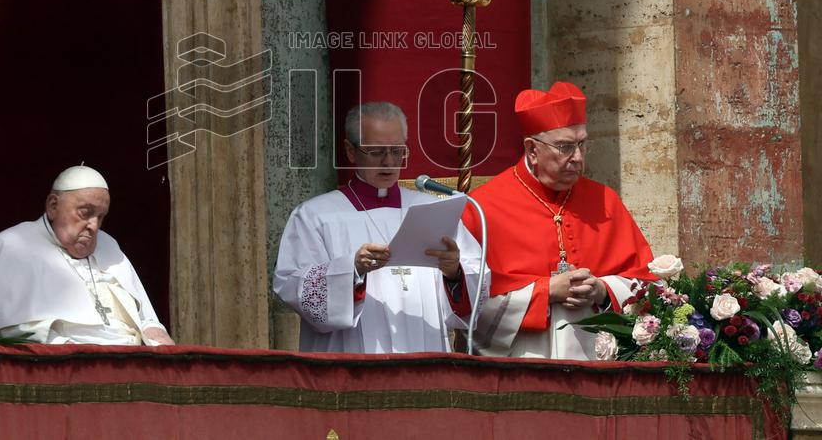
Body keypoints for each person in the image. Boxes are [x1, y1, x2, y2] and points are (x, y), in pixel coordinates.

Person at [273, 102, 487, 353]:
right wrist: (352, 269)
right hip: (351, 363)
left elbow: (478, 284)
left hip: (424, 357)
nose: (388, 162)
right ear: (350, 151)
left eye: (397, 151)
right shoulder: (314, 216)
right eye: (376, 151)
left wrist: (454, 273)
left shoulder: (433, 210)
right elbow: (293, 287)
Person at [463, 82, 655, 359]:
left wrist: (602, 290)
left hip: (598, 362)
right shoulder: (483, 207)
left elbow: (647, 283)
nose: (577, 157)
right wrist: (546, 291)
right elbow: (467, 306)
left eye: (582, 144)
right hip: (522, 364)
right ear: (532, 150)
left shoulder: (605, 200)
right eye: (565, 147)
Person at [0, 165, 174, 346]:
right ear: (53, 206)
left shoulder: (109, 246)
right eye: (85, 213)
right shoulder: (12, 246)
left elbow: (144, 315)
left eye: (100, 217)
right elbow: (2, 327)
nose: (94, 226)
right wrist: (61, 344)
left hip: (128, 358)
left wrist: (152, 328)